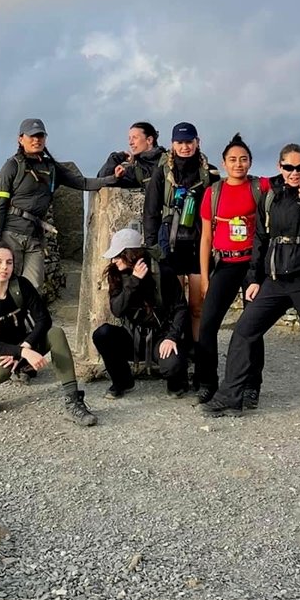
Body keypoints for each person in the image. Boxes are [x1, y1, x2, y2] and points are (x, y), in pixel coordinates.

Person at [203, 143, 300, 426]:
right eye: (289, 167)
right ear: (279, 166)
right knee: (244, 331)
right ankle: (230, 397)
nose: (294, 172)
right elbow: (261, 238)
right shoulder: (270, 195)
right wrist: (254, 279)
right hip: (275, 279)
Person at [0, 245, 97, 426]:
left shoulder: (21, 286)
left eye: (9, 262)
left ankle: (73, 401)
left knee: (55, 333)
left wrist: (25, 347)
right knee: (1, 370)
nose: (4, 267)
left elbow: (44, 320)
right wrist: (22, 353)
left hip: (21, 344)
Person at [0, 118, 117, 292]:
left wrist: (113, 178)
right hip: (11, 235)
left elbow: (83, 183)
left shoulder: (52, 168)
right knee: (8, 287)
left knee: (34, 289)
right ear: (21, 139)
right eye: (32, 136)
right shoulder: (12, 166)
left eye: (40, 136)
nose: (37, 140)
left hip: (35, 237)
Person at [193, 132, 270, 407]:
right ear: (224, 163)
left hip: (253, 266)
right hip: (225, 264)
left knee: (252, 326)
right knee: (208, 324)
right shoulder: (213, 193)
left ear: (251, 162)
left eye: (244, 159)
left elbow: (289, 180)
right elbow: (205, 238)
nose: (239, 164)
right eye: (233, 159)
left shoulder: (260, 186)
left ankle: (251, 385)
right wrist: (205, 278)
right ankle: (207, 382)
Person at [92, 227, 190, 397]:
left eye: (118, 255)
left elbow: (180, 307)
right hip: (132, 336)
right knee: (102, 334)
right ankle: (122, 381)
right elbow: (117, 310)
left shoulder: (163, 272)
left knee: (173, 364)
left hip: (160, 336)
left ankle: (177, 382)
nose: (114, 260)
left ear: (130, 255)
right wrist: (134, 281)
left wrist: (172, 337)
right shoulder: (116, 274)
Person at [142, 122, 217, 338]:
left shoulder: (209, 174)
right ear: (172, 144)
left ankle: (198, 350)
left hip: (198, 243)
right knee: (172, 305)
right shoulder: (162, 173)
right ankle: (175, 347)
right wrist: (152, 247)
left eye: (189, 142)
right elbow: (151, 212)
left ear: (197, 142)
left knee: (197, 306)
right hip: (169, 242)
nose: (185, 147)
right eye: (180, 142)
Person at [96, 122, 165, 189]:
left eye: (135, 138)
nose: (130, 143)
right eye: (129, 138)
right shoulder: (135, 170)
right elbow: (102, 180)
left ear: (149, 140)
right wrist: (117, 158)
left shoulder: (167, 161)